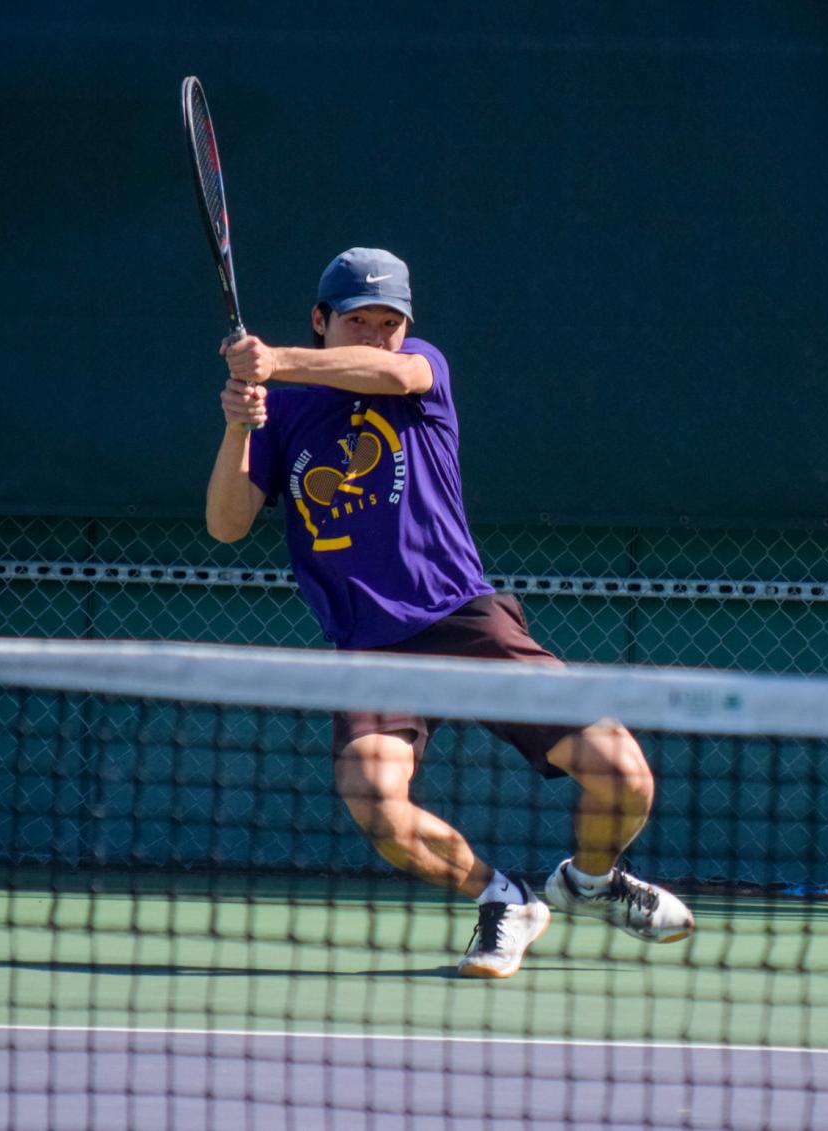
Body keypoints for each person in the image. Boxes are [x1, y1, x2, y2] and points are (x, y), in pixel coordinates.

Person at [204, 247, 693, 978]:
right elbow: (226, 523)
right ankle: (503, 899)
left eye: (387, 322)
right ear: (320, 317)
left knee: (624, 775)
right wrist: (242, 423)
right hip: (369, 646)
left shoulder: (417, 369)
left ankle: (593, 881)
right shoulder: (283, 410)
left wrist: (274, 360)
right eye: (356, 321)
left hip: (463, 617)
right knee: (372, 795)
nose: (375, 335)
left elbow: (393, 372)